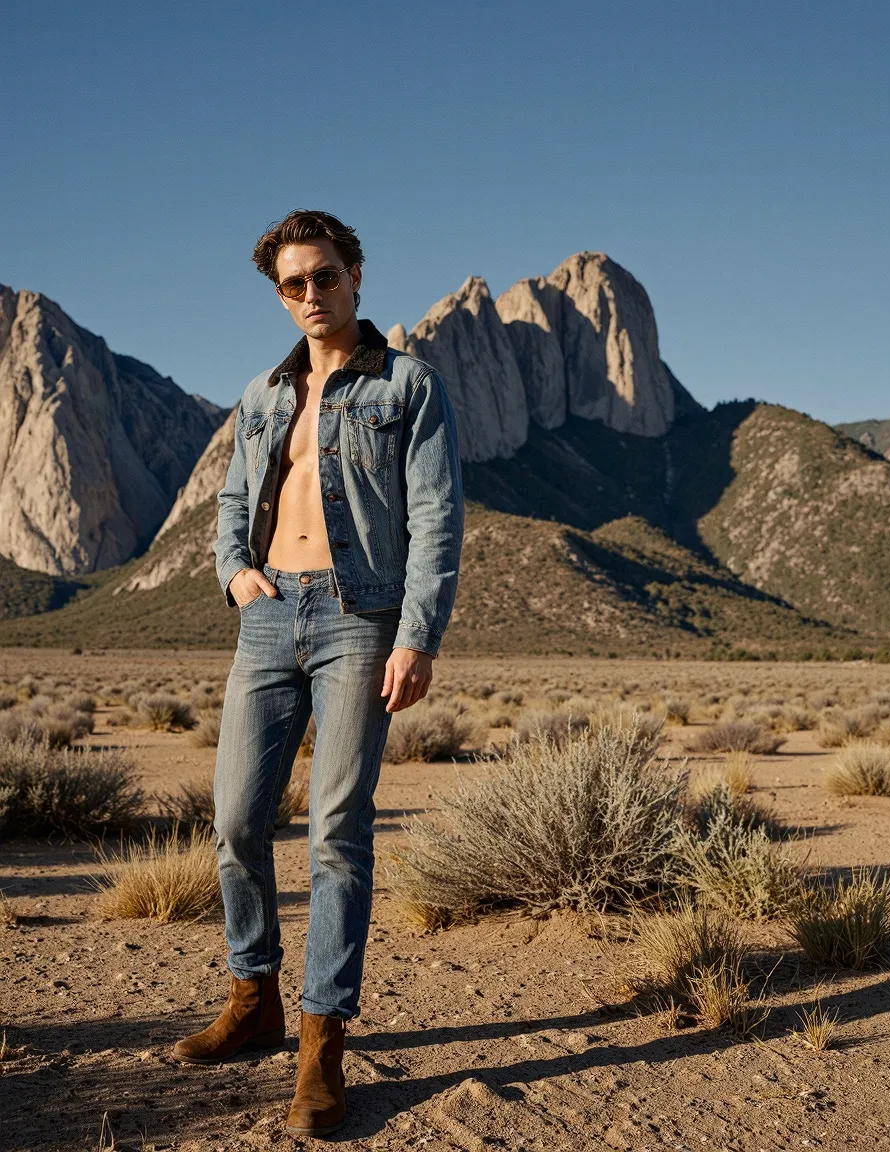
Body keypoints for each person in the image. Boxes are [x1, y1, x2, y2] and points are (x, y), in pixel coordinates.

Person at [171, 209, 465, 1138]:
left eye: (324, 277)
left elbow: (438, 517)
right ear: (278, 291)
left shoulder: (407, 384)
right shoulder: (263, 393)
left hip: (361, 618)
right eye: (293, 284)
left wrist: (416, 636)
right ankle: (252, 994)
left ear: (356, 276)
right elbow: (229, 498)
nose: (310, 295)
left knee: (338, 827)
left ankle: (320, 1045)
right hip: (268, 618)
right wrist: (233, 573)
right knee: (234, 820)